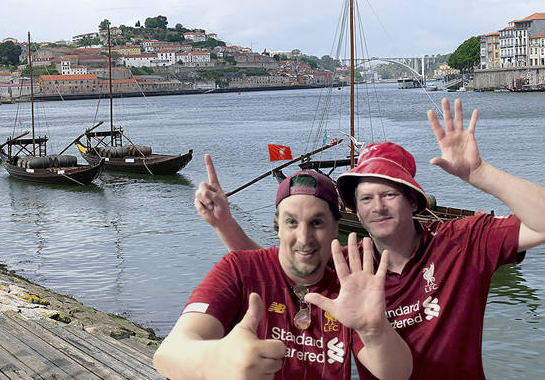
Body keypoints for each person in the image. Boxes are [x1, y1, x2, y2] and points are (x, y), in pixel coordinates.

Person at [193, 97, 545, 379]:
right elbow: (282, 270)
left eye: (389, 194)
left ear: (411, 198)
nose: (377, 206)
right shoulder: (352, 264)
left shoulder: (463, 242)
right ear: (356, 211)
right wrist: (224, 224)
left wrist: (481, 174)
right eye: (365, 198)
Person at [154, 168, 413, 379]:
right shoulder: (238, 269)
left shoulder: (348, 288)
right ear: (277, 227)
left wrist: (374, 330)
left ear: (336, 227)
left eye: (317, 222)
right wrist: (214, 362)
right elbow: (168, 354)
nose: (304, 238)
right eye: (291, 222)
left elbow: (396, 373)